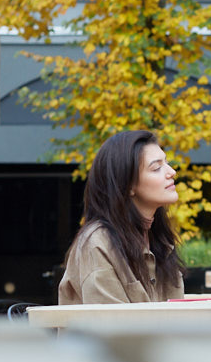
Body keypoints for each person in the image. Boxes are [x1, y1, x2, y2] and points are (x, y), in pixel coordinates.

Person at [58, 130, 186, 304]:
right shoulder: (97, 243)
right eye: (156, 168)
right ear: (128, 184)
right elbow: (110, 321)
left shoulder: (159, 240)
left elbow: (174, 314)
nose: (172, 172)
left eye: (167, 163)